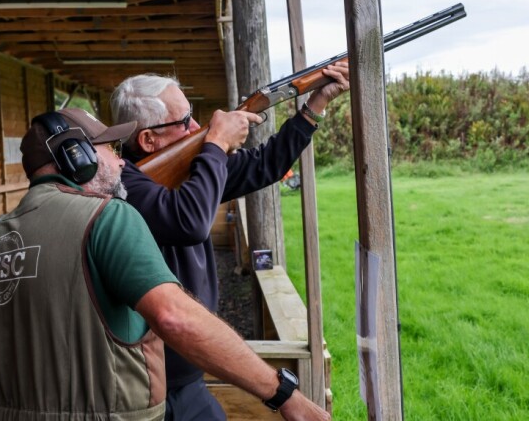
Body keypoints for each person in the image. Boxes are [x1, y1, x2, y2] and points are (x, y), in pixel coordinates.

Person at [0, 107, 330, 421]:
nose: (123, 162)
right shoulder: (108, 217)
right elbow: (177, 319)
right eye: (110, 149)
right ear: (79, 158)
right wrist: (284, 395)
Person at [110, 62, 350, 420]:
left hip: (190, 374)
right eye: (185, 121)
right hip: (144, 387)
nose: (197, 127)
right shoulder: (124, 185)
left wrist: (315, 106)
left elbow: (266, 164)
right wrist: (217, 145)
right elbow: (188, 221)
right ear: (148, 140)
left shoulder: (192, 168)